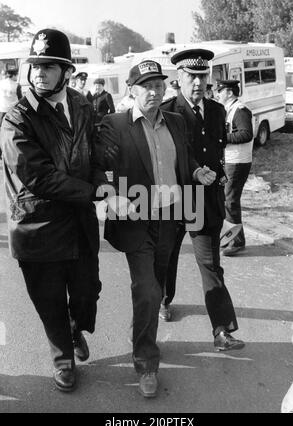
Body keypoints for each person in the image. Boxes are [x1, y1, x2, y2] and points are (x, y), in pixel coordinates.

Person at [98, 59, 216, 398]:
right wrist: (110, 195)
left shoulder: (176, 122)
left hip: (170, 218)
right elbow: (100, 168)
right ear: (131, 90)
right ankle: (146, 363)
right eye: (147, 86)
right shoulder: (114, 124)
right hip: (135, 219)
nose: (155, 90)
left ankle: (142, 328)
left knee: (158, 284)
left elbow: (186, 157)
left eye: (159, 84)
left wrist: (195, 172)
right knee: (147, 288)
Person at [0, 29, 109, 393]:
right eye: (35, 66)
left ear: (66, 71)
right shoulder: (17, 119)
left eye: (48, 66)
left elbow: (94, 154)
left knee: (86, 292)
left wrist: (103, 180)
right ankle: (63, 359)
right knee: (49, 302)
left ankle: (76, 328)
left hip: (79, 223)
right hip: (38, 228)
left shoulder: (82, 105)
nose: (39, 73)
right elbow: (39, 177)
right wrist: (93, 191)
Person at [160, 49, 245, 352]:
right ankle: (164, 299)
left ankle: (221, 330)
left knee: (210, 265)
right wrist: (193, 171)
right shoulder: (166, 111)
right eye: (191, 76)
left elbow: (218, 152)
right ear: (178, 78)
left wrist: (220, 179)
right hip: (174, 199)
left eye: (202, 76)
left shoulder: (217, 110)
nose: (197, 82)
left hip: (205, 201)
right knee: (167, 258)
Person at [216, 80, 253, 256]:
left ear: (229, 93)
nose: (217, 94)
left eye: (220, 91)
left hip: (238, 162)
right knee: (227, 201)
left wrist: (223, 138)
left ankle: (237, 242)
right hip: (230, 161)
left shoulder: (240, 110)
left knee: (230, 201)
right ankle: (230, 237)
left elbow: (246, 134)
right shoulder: (230, 109)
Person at [0, 66, 22, 158]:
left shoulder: (1, 83)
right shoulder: (17, 85)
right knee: (12, 132)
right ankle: (9, 153)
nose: (17, 77)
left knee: (1, 132)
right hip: (12, 112)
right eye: (16, 75)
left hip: (1, 111)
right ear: (13, 76)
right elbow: (21, 99)